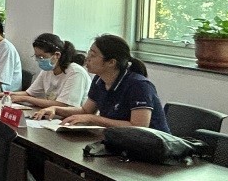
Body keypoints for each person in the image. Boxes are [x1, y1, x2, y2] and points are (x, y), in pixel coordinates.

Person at [38, 34, 170, 131]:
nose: (87, 58)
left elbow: (139, 126)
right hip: (120, 142)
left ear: (111, 62)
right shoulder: (99, 80)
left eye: (93, 55)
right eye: (88, 53)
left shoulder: (138, 85)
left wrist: (92, 118)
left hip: (152, 149)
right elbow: (85, 110)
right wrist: (55, 109)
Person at [9, 32, 89, 110]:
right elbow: (29, 93)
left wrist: (25, 98)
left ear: (57, 55)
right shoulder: (47, 70)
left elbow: (63, 105)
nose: (38, 60)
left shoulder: (76, 73)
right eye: (36, 56)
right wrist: (9, 94)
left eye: (41, 57)